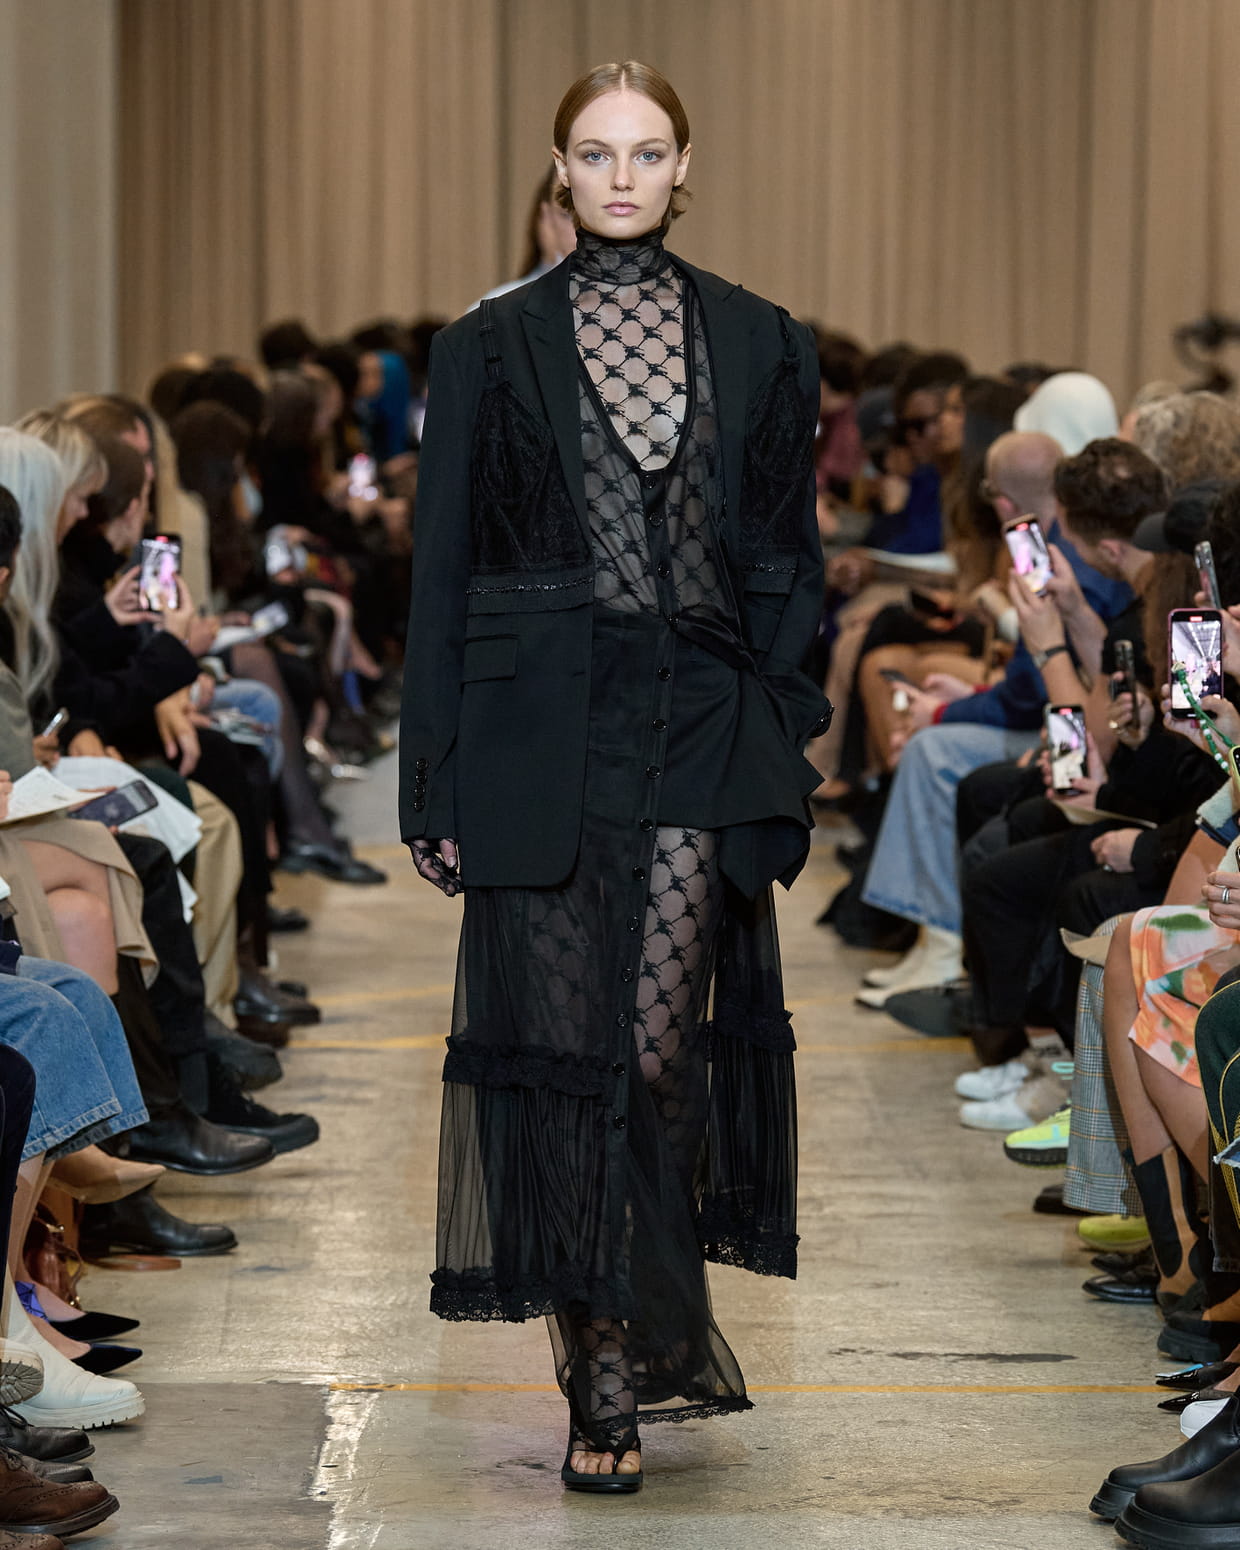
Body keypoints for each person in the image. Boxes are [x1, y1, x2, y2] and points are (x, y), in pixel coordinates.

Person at [400, 60, 828, 1493]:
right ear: (561, 170)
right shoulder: (485, 346)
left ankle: (636, 1314)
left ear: (684, 168)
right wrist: (431, 779)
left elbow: (788, 558)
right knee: (568, 1056)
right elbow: (442, 569)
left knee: (652, 1052)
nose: (623, 176)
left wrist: (786, 720)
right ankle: (601, 1374)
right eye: (597, 153)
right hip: (537, 730)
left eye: (647, 152)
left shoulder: (764, 338)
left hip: (700, 715)